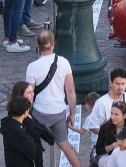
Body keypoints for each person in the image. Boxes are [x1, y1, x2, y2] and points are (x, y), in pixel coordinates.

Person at [25, 31, 82, 166]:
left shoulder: (32, 67)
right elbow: (70, 91)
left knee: (31, 144)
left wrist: (26, 115)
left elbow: (29, 94)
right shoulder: (64, 62)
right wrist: (72, 113)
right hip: (59, 112)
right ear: (53, 44)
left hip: (39, 113)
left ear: (38, 46)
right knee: (65, 145)